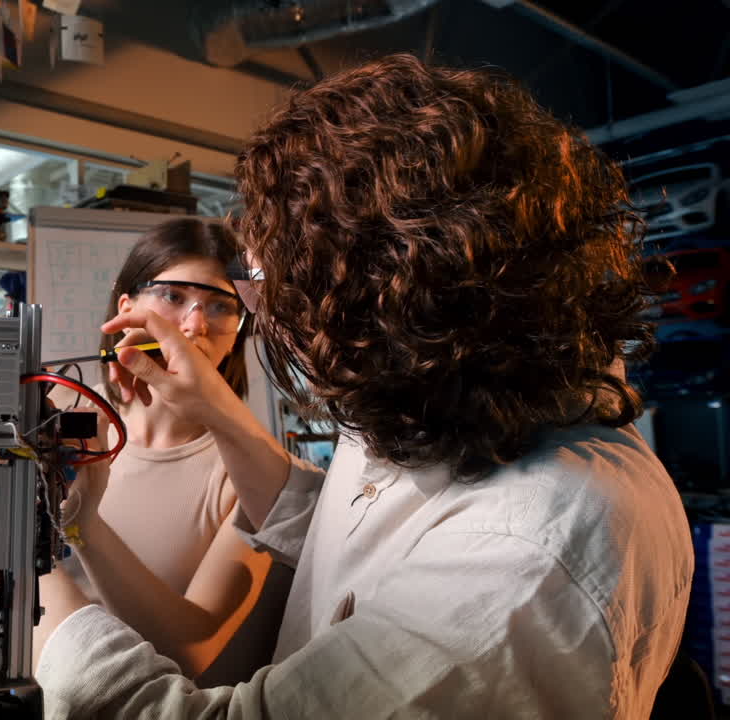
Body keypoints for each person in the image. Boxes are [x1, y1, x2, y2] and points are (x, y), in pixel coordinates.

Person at [34, 53, 694, 718]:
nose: (265, 314)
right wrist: (212, 405)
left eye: (275, 290)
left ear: (396, 298)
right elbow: (335, 526)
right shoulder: (450, 385)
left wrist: (18, 562)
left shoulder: (520, 559)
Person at [0, 218, 281, 684]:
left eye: (220, 306)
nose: (194, 325)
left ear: (237, 332)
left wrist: (80, 525)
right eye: (173, 296)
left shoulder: (255, 478)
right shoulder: (55, 408)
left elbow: (193, 652)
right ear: (126, 307)